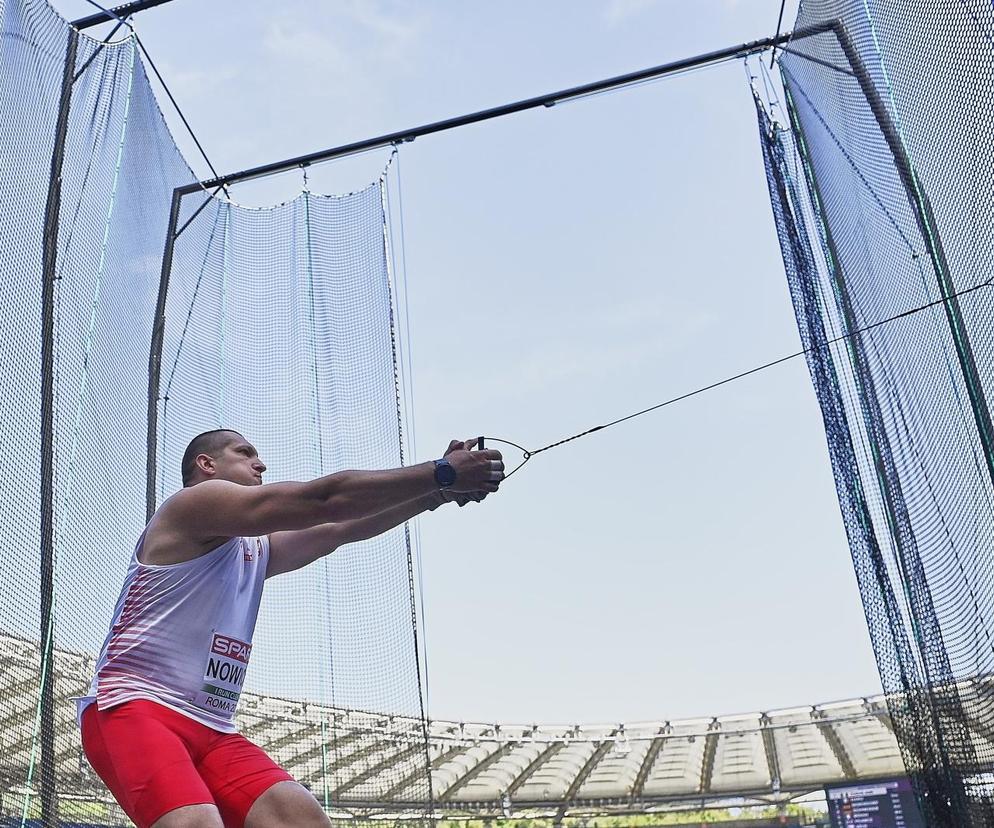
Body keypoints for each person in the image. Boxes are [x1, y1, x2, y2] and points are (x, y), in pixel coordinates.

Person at [77, 429, 504, 828]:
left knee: (303, 819)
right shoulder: (193, 506)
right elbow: (324, 502)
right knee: (196, 823)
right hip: (134, 707)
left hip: (212, 726)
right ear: (206, 466)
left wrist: (438, 494)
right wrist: (439, 471)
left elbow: (339, 527)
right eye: (245, 454)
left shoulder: (253, 550)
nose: (260, 465)